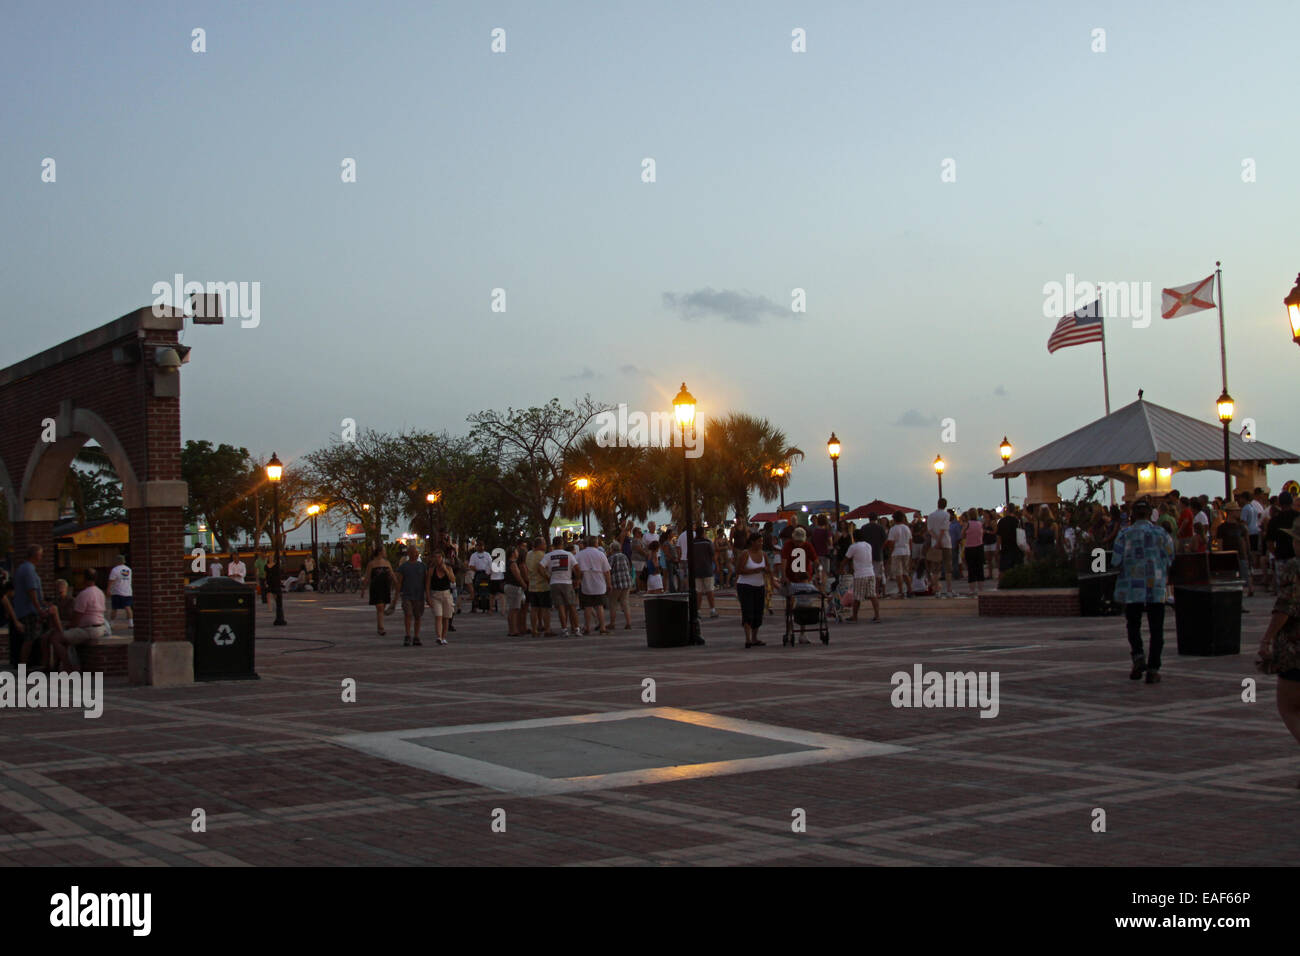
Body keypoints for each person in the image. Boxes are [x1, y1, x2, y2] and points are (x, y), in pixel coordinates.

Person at [1113, 500, 1175, 683]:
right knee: (1157, 630)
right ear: (1150, 514)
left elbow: (1115, 560)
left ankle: (1138, 657)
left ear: (1132, 514)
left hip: (1132, 589)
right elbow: (1170, 557)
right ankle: (1153, 669)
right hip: (1155, 587)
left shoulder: (1124, 534)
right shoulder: (1161, 533)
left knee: (1133, 626)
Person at [48, 568, 108, 672]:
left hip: (87, 630)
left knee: (56, 638)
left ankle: (69, 668)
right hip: (101, 628)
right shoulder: (100, 593)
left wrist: (68, 628)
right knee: (66, 636)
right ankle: (60, 666)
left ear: (84, 579)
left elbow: (77, 617)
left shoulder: (83, 594)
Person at [13, 545, 49, 667]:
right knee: (29, 639)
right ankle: (23, 665)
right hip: (29, 610)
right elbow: (31, 590)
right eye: (40, 554)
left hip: (24, 609)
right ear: (35, 555)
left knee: (31, 638)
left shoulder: (22, 568)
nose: (41, 557)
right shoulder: (28, 570)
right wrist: (39, 608)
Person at [736, 534, 773, 647]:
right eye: (758, 541)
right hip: (745, 586)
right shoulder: (745, 554)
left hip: (759, 585)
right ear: (752, 542)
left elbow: (768, 569)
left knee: (758, 612)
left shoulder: (764, 554)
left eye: (761, 541)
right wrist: (755, 570)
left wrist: (771, 580)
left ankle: (755, 637)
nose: (761, 544)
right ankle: (748, 638)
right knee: (747, 611)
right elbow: (739, 570)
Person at [543, 536, 581, 636]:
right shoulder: (568, 555)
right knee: (572, 606)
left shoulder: (548, 555)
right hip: (567, 582)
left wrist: (547, 577)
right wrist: (577, 579)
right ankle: (576, 629)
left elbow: (540, 567)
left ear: (553, 544)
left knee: (561, 607)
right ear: (562, 544)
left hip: (554, 582)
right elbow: (577, 568)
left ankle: (564, 629)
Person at [575, 536, 612, 635]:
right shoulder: (600, 554)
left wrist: (578, 578)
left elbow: (575, 567)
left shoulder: (580, 554)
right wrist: (609, 584)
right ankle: (602, 627)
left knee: (587, 606)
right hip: (599, 583)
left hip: (586, 582)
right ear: (596, 543)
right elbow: (607, 571)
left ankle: (587, 627)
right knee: (599, 606)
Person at [843, 529, 880, 623]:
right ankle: (877, 615)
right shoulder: (868, 545)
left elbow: (846, 559)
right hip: (870, 572)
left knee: (857, 597)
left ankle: (854, 616)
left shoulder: (853, 547)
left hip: (860, 574)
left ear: (854, 537)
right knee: (872, 595)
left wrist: (840, 568)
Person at [1216, 503, 1253, 596]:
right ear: (1230, 512)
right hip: (1228, 557)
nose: (1239, 512)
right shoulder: (1222, 528)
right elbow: (1220, 545)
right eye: (1237, 510)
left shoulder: (1241, 527)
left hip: (1241, 556)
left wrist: (1248, 556)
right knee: (1230, 580)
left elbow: (1246, 543)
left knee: (1243, 579)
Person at [395, 545, 427, 646]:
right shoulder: (403, 567)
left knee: (418, 616)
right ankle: (408, 635)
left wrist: (428, 595)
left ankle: (416, 636)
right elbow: (399, 582)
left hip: (419, 595)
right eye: (413, 552)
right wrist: (396, 595)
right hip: (407, 595)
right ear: (409, 554)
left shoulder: (422, 566)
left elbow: (426, 581)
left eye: (416, 552)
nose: (415, 554)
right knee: (408, 614)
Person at [362, 546, 398, 637]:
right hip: (376, 587)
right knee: (380, 607)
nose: (386, 553)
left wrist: (397, 584)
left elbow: (392, 574)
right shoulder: (372, 564)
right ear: (380, 552)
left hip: (385, 587)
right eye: (384, 551)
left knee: (382, 607)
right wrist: (363, 589)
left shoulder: (387, 563)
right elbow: (367, 577)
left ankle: (379, 626)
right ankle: (381, 628)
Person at [424, 551, 454, 645]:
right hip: (436, 595)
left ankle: (444, 636)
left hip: (446, 595)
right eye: (435, 557)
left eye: (439, 557)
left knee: (446, 617)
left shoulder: (448, 568)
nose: (437, 559)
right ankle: (439, 636)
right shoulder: (431, 570)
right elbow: (428, 585)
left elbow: (452, 580)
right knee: (438, 616)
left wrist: (446, 571)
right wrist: (428, 597)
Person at [525, 537, 554, 637]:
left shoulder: (528, 554)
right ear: (540, 545)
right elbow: (543, 569)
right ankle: (547, 629)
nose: (546, 546)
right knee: (546, 608)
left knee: (534, 609)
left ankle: (534, 629)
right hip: (542, 585)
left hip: (532, 585)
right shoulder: (542, 556)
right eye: (544, 544)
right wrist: (548, 578)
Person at [926, 499, 953, 598]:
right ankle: (949, 589)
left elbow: (930, 530)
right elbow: (943, 529)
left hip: (934, 544)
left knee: (935, 569)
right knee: (948, 567)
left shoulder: (931, 516)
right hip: (945, 543)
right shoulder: (946, 515)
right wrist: (940, 541)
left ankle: (936, 590)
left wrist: (936, 540)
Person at [691, 526, 718, 618]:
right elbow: (713, 555)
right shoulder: (707, 543)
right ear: (703, 533)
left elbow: (689, 557)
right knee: (709, 590)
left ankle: (698, 611)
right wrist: (717, 566)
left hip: (696, 570)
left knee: (698, 591)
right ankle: (712, 610)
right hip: (707, 568)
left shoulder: (692, 543)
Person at [886, 512, 913, 598]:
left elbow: (891, 543)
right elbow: (910, 541)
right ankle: (910, 590)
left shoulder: (893, 529)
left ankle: (901, 591)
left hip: (897, 551)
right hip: (906, 551)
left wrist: (890, 553)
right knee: (905, 572)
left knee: (898, 573)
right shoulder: (907, 528)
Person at [505, 543, 529, 636]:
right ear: (513, 553)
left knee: (514, 608)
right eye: (516, 551)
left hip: (509, 586)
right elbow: (517, 576)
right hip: (514, 587)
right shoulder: (513, 563)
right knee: (514, 609)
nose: (517, 553)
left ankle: (513, 629)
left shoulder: (508, 563)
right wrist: (523, 584)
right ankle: (513, 630)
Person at [107, 554, 134, 629]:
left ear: (117, 561)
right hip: (128, 591)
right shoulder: (129, 569)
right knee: (128, 607)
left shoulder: (115, 570)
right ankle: (131, 623)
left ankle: (112, 623)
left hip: (117, 591)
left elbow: (111, 581)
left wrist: (108, 589)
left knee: (114, 608)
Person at [964, 508, 986, 596]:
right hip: (979, 547)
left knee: (971, 568)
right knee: (980, 568)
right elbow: (982, 534)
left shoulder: (967, 524)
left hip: (969, 547)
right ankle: (981, 588)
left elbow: (962, 534)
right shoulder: (980, 524)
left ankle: (972, 590)